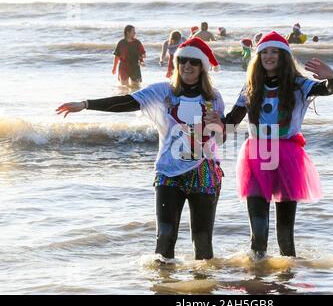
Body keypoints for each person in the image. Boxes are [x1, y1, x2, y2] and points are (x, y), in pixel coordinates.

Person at [56, 38, 225, 262]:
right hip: (167, 172)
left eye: (193, 62)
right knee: (164, 237)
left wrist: (219, 125)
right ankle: (165, 286)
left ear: (202, 66)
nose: (187, 65)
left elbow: (219, 139)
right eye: (182, 60)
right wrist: (87, 104)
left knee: (202, 243)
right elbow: (126, 102)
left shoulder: (213, 98)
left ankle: (201, 290)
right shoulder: (163, 92)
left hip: (202, 171)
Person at [224, 31, 333, 259]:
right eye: (264, 52)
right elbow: (231, 122)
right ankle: (257, 278)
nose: (268, 56)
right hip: (256, 155)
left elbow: (328, 89)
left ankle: (287, 279)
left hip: (287, 156)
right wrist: (207, 123)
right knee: (258, 231)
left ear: (284, 55)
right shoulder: (250, 86)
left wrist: (331, 77)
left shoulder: (299, 84)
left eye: (274, 51)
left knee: (285, 234)